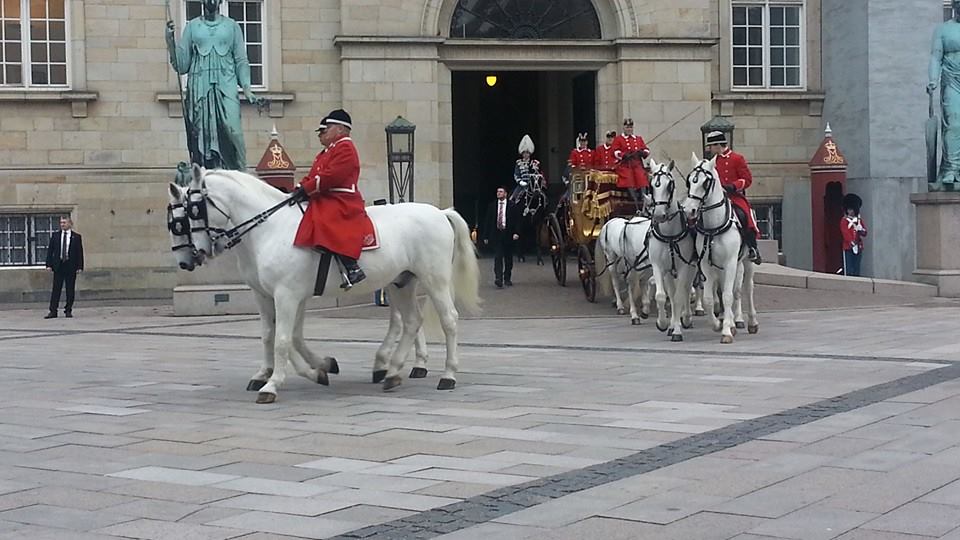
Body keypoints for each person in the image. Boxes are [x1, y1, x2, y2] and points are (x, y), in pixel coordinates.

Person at [165, 0, 261, 171]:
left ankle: (240, 173)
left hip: (226, 83)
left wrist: (247, 88)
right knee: (201, 133)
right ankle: (206, 172)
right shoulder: (192, 27)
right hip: (200, 86)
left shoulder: (232, 26)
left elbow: (241, 60)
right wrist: (170, 42)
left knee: (233, 130)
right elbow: (182, 65)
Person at [292, 109, 373, 289]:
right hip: (327, 195)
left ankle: (351, 266)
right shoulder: (326, 152)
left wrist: (308, 189)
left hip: (341, 198)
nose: (324, 132)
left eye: (328, 128)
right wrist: (299, 188)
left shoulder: (345, 147)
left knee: (326, 218)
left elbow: (332, 176)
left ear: (340, 129)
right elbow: (314, 175)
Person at [705, 131, 762, 264]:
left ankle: (752, 248)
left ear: (718, 145)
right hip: (717, 197)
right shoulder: (712, 162)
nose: (709, 149)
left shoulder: (737, 158)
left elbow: (747, 179)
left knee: (745, 216)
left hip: (734, 196)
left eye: (711, 146)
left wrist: (733, 186)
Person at [929, 0, 960, 189]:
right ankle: (952, 168)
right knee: (954, 124)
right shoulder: (943, 29)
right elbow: (936, 57)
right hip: (952, 80)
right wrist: (933, 79)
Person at [45, 217, 84, 319]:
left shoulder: (76, 237)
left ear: (70, 224)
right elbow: (50, 251)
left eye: (64, 222)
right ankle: (53, 311)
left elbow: (79, 252)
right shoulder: (56, 236)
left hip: (70, 265)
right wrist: (48, 264)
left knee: (70, 289)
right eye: (61, 222)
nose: (62, 224)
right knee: (56, 289)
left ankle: (68, 310)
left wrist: (80, 266)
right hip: (59, 265)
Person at [482, 187, 520, 289]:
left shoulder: (512, 206)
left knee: (508, 257)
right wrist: (485, 235)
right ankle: (498, 278)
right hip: (497, 234)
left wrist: (516, 232)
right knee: (498, 256)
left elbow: (517, 220)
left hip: (508, 234)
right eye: (498, 191)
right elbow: (488, 221)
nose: (498, 193)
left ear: (506, 194)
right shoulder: (492, 206)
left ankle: (507, 277)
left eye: (501, 192)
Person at [611, 118, 651, 210]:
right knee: (628, 179)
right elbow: (615, 151)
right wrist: (623, 155)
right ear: (624, 128)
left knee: (642, 179)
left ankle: (643, 201)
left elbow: (646, 150)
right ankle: (635, 204)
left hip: (637, 165)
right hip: (625, 166)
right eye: (627, 127)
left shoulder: (638, 139)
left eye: (630, 127)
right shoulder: (619, 139)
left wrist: (642, 153)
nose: (629, 129)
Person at [840, 193, 868, 277]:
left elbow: (865, 233)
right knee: (848, 269)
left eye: (852, 209)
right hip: (848, 247)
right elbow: (845, 233)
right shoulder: (844, 221)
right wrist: (851, 242)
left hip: (858, 247)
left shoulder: (858, 220)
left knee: (856, 269)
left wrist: (861, 229)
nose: (850, 211)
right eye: (849, 209)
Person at [513, 134, 544, 199]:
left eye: (527, 153)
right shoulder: (518, 163)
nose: (525, 154)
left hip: (533, 185)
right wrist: (520, 182)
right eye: (524, 153)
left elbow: (538, 174)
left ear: (529, 153)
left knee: (542, 197)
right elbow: (516, 175)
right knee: (513, 198)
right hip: (522, 185)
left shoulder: (534, 162)